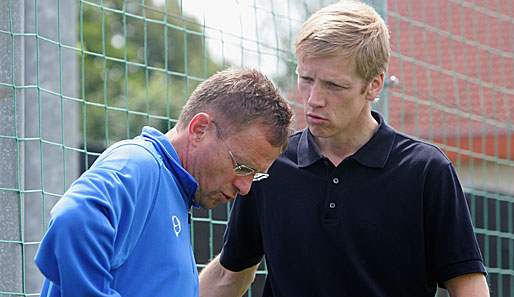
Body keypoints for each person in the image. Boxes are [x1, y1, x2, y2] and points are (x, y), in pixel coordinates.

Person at [198, 1, 490, 297]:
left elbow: (467, 286)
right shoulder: (270, 165)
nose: (314, 99)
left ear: (374, 86)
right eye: (306, 79)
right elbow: (228, 275)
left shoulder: (426, 171)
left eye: (334, 86)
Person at [34, 68, 293, 297]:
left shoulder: (174, 190)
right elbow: (72, 219)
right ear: (200, 129)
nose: (245, 187)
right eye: (241, 166)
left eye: (255, 174)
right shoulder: (138, 164)